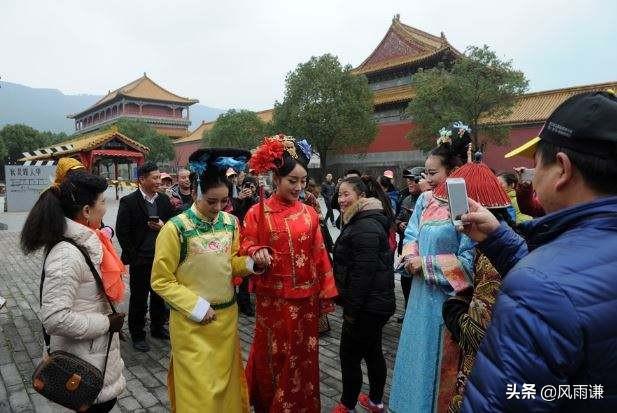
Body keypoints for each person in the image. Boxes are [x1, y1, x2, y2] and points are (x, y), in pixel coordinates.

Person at [460, 91, 617, 412]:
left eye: (536, 165)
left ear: (562, 169)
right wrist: (499, 239)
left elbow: (507, 400)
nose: (532, 179)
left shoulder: (540, 286)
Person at [151, 148, 262, 413]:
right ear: (197, 192)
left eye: (224, 201)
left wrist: (250, 263)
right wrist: (196, 306)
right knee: (198, 393)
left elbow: (230, 263)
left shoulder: (230, 223)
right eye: (212, 201)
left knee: (226, 388)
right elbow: (161, 280)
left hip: (225, 321)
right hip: (192, 324)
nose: (218, 208)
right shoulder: (176, 228)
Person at [241, 134, 338, 412]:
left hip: (305, 302)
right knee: (274, 356)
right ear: (276, 179)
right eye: (291, 181)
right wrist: (255, 252)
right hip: (273, 302)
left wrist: (324, 293)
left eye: (303, 180)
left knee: (302, 358)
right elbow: (245, 243)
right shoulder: (257, 212)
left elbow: (319, 254)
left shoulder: (309, 213)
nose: (298, 186)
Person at [21, 171, 126, 412]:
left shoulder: (89, 242)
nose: (106, 209)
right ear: (86, 211)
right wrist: (106, 323)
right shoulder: (67, 256)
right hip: (82, 366)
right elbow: (55, 319)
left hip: (96, 356)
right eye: (103, 202)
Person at [389, 123, 476, 413]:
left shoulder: (466, 206)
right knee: (415, 358)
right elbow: (411, 234)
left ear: (453, 171)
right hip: (418, 298)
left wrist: (424, 264)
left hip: (445, 302)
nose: (426, 178)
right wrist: (411, 259)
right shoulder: (425, 200)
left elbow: (467, 265)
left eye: (432, 172)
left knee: (438, 366)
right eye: (425, 172)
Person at [433, 157, 512, 413]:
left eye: (433, 172)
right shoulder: (427, 203)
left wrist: (453, 310)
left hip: (478, 349)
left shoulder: (487, 245)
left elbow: (466, 271)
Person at [331, 176, 396, 413]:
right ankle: (376, 401)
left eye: (346, 194)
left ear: (361, 196)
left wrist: (351, 311)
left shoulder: (365, 225)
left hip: (367, 306)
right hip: (375, 304)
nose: (341, 199)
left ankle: (346, 404)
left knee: (349, 356)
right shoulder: (361, 219)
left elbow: (363, 275)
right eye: (340, 194)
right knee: (372, 351)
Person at [115, 161, 174, 352]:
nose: (159, 181)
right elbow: (122, 231)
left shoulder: (164, 201)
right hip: (140, 259)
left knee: (159, 295)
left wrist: (163, 225)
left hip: (161, 257)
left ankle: (158, 327)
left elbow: (173, 226)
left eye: (159, 177)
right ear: (142, 179)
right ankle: (137, 334)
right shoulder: (129, 201)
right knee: (139, 298)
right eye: (155, 178)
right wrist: (134, 256)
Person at [394, 166, 424, 323]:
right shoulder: (405, 199)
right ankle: (408, 310)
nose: (410, 183)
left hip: (423, 252)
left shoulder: (427, 199)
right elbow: (397, 218)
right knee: (405, 281)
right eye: (408, 180)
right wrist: (400, 224)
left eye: (414, 180)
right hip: (406, 249)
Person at [232, 175, 260, 316]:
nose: (248, 189)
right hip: (238, 238)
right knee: (240, 271)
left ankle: (247, 303)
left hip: (253, 239)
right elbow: (232, 213)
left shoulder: (258, 200)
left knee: (250, 271)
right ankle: (241, 303)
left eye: (252, 186)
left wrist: (253, 198)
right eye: (246, 186)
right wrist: (239, 199)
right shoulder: (235, 198)